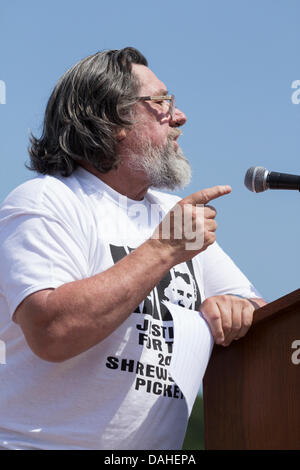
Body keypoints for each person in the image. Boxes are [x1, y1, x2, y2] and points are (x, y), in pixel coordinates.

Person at [0, 47, 266, 450]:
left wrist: (237, 309)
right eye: (161, 103)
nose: (179, 117)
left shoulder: (170, 216)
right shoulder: (45, 201)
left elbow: (261, 319)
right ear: (111, 119)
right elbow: (51, 331)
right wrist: (163, 249)